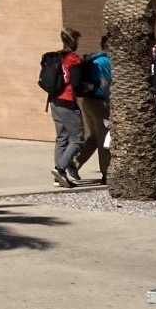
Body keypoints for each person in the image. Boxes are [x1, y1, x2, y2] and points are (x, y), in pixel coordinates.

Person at [46, 28, 86, 189]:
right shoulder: (73, 59)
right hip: (67, 101)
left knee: (62, 138)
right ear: (74, 42)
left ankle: (58, 178)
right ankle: (60, 169)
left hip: (53, 101)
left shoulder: (56, 56)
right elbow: (76, 83)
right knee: (77, 138)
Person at [72, 35, 112, 183]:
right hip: (100, 103)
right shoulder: (107, 62)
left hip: (87, 101)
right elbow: (107, 84)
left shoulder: (93, 58)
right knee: (104, 139)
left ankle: (73, 164)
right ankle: (107, 173)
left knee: (93, 138)